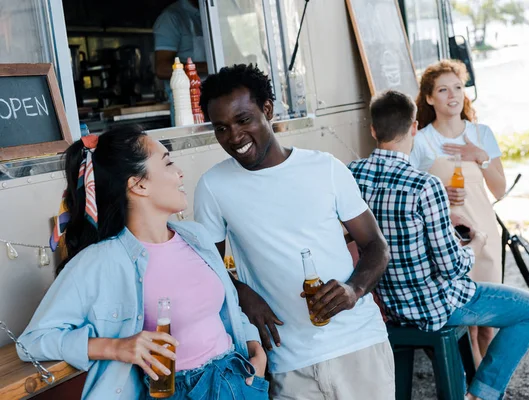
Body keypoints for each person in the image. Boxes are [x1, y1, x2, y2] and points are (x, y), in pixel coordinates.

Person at [17, 127, 268, 400]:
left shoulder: (197, 237)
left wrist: (255, 350)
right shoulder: (99, 261)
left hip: (238, 380)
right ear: (139, 184)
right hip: (174, 392)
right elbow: (33, 341)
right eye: (168, 163)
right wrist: (115, 348)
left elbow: (227, 306)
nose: (179, 172)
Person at [194, 64, 395, 399]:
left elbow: (376, 245)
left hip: (358, 344)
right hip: (287, 358)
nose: (234, 137)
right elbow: (206, 266)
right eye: (221, 128)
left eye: (243, 120)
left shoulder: (325, 168)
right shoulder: (213, 186)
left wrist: (353, 290)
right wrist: (243, 293)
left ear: (267, 110)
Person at [348, 90, 529, 400]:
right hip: (433, 306)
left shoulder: (354, 174)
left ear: (373, 130)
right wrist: (476, 244)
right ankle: (480, 394)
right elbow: (451, 267)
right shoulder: (424, 185)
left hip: (388, 305)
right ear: (414, 128)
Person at [410, 59, 507, 367]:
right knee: (463, 323)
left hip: (486, 234)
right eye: (442, 89)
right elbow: (411, 194)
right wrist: (440, 191)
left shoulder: (482, 134)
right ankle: (473, 381)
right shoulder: (421, 141)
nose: (453, 95)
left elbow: (500, 189)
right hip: (445, 242)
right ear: (429, 98)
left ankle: (482, 385)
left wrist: (479, 157)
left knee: (488, 322)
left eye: (458, 88)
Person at [154, 0, 209, 126]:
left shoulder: (210, 13)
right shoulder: (171, 18)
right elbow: (162, 68)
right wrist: (207, 66)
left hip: (214, 101)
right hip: (187, 107)